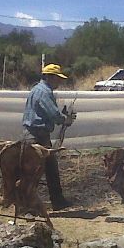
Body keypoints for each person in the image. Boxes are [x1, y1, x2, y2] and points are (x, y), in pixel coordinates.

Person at [22, 63, 76, 211]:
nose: (59, 81)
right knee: (35, 172)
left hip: (35, 135)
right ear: (49, 77)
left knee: (47, 169)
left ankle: (55, 201)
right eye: (58, 78)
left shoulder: (38, 90)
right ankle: (28, 205)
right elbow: (53, 114)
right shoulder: (44, 92)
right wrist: (66, 119)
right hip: (36, 136)